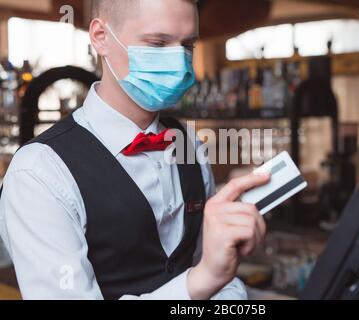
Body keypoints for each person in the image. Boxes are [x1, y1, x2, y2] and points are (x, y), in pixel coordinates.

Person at [0, 0, 270, 300]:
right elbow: (206, 273)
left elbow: (217, 271)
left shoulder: (187, 142)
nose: (179, 63)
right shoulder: (38, 172)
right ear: (101, 36)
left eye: (188, 46)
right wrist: (201, 281)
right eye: (157, 43)